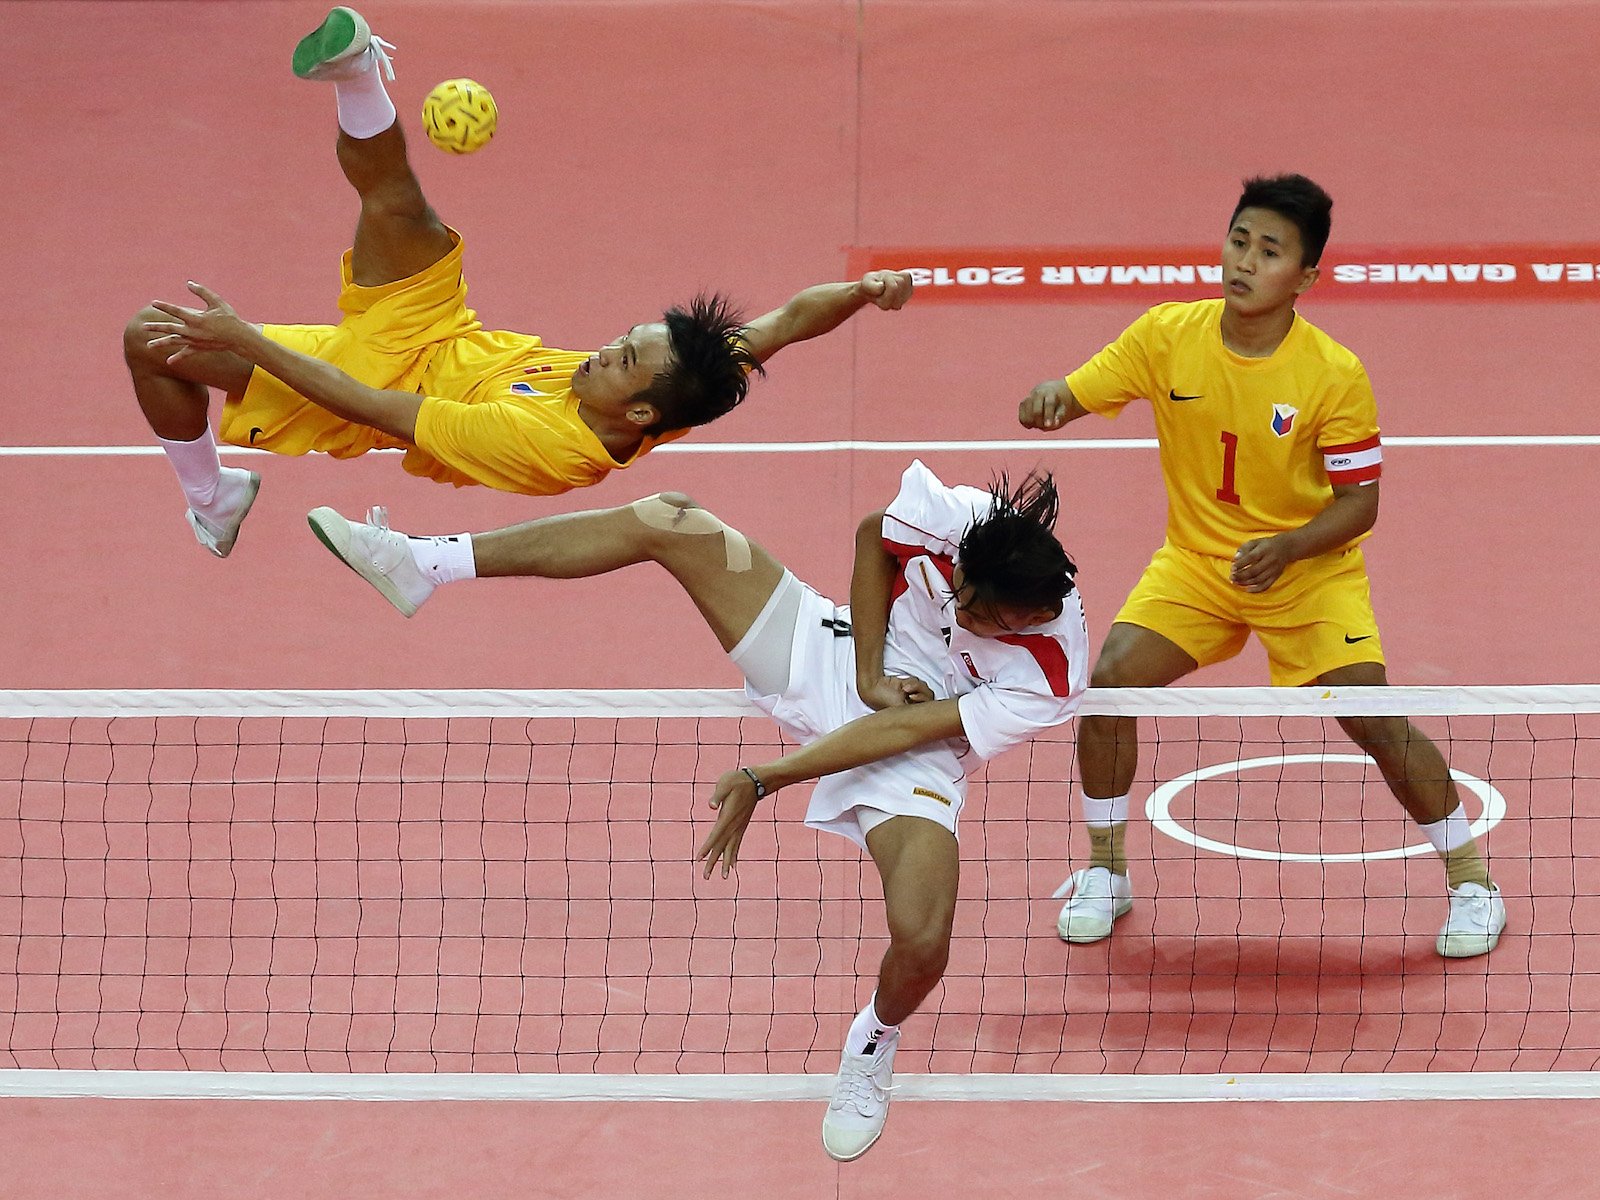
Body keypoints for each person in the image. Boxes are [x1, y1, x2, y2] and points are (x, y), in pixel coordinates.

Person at [301, 460, 1087, 1160]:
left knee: (923, 940)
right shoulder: (955, 517)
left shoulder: (1050, 672)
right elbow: (872, 535)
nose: (980, 621)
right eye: (969, 605)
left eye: (996, 622)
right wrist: (871, 668)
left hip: (914, 740)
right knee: (670, 518)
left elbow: (903, 728)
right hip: (846, 650)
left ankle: (871, 1044)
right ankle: (424, 564)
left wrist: (768, 775)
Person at [127, 6, 913, 558]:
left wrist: (246, 343)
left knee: (148, 341)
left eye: (622, 362)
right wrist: (861, 292)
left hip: (370, 387)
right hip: (444, 332)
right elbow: (787, 321)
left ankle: (212, 499)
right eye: (625, 339)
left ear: (639, 410)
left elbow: (370, 405)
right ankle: (356, 70)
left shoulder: (544, 446)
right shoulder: (684, 378)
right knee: (397, 202)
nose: (605, 350)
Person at [1018, 173, 1506, 959]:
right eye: (1239, 240)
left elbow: (1360, 504)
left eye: (1270, 251)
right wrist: (1050, 399)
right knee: (1108, 683)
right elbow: (1076, 390)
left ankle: (1473, 882)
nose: (1244, 261)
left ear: (1306, 277)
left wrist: (1287, 548)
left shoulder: (1333, 374)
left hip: (1309, 573)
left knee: (1373, 717)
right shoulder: (1167, 335)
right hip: (1197, 568)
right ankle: (1106, 872)